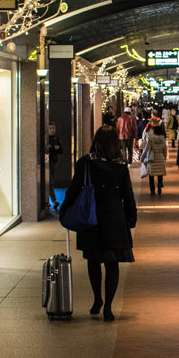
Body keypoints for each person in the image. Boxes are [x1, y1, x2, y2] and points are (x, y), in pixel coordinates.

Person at [62, 126, 137, 322]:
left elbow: (74, 188)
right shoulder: (120, 165)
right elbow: (127, 194)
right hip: (114, 217)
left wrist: (64, 209)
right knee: (112, 263)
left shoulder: (86, 163)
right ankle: (109, 307)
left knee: (93, 260)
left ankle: (97, 299)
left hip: (91, 217)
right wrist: (131, 217)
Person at [140, 122, 168, 196]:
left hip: (152, 159)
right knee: (159, 173)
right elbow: (165, 150)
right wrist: (164, 159)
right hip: (160, 158)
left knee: (151, 176)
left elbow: (146, 149)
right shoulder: (163, 139)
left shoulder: (150, 139)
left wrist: (142, 158)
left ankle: (152, 190)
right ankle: (159, 184)